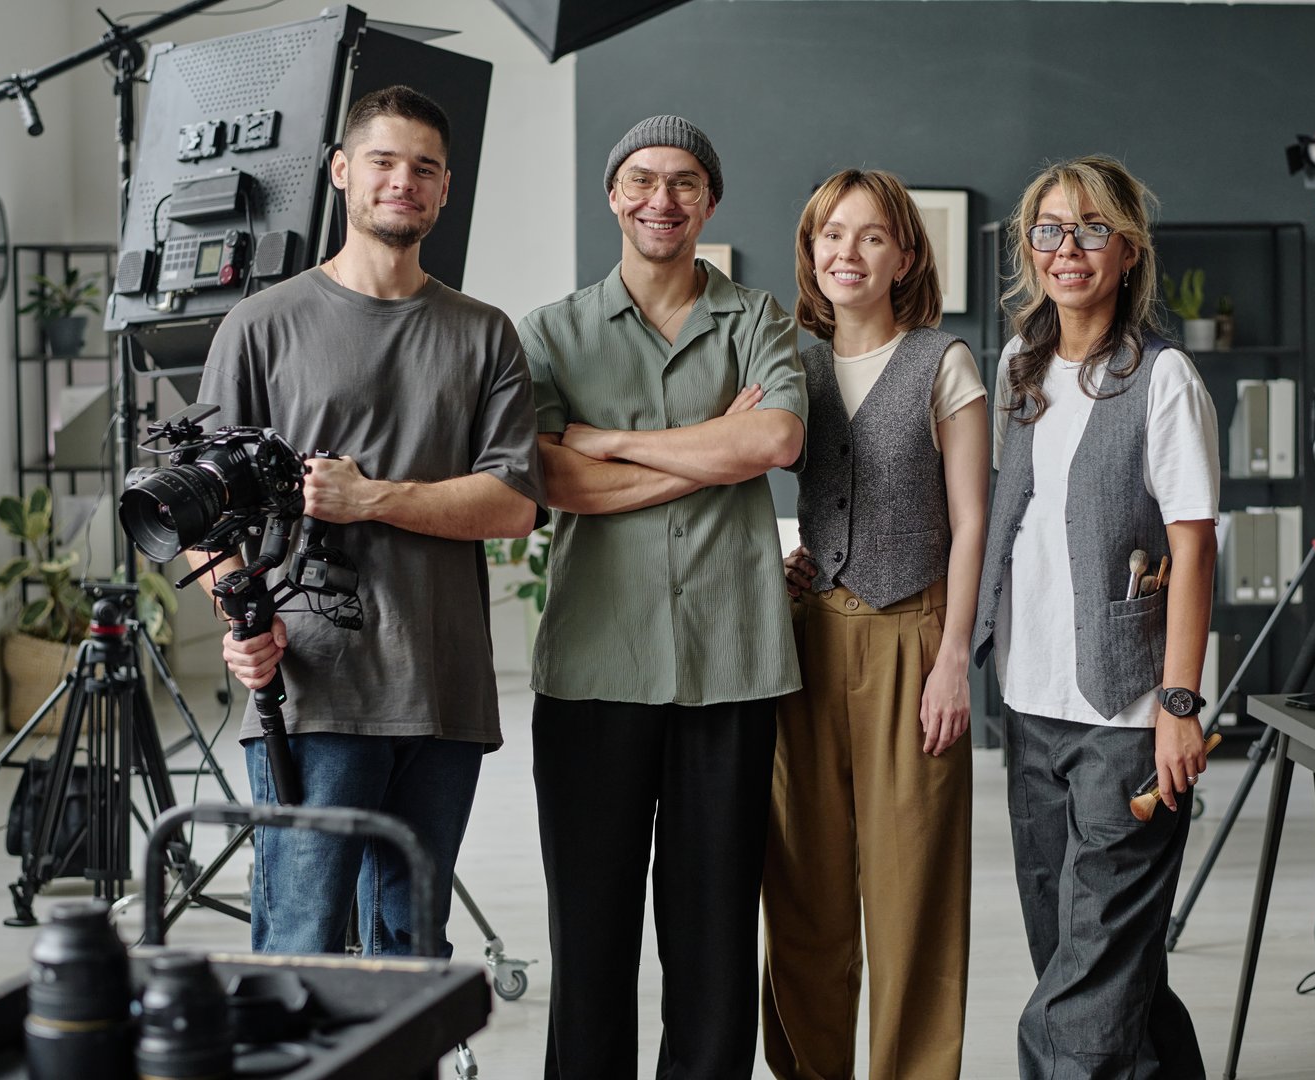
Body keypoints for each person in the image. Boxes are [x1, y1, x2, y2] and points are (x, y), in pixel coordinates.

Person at [196, 85, 545, 958]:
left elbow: (512, 504)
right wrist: (236, 615)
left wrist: (374, 497)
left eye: (424, 168)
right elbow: (199, 508)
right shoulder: (261, 326)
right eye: (384, 162)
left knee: (409, 950)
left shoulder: (484, 334)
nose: (404, 181)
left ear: (444, 189)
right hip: (314, 688)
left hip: (443, 689)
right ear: (343, 172)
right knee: (302, 948)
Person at [518, 114, 806, 1079]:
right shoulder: (550, 333)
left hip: (731, 664)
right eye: (642, 179)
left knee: (715, 937)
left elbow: (772, 444)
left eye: (684, 182)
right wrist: (704, 451)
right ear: (613, 194)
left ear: (709, 201)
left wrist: (611, 440)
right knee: (590, 938)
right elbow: (552, 484)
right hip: (597, 663)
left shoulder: (761, 320)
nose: (662, 199)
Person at [971, 154, 1216, 1079]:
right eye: (1048, 230)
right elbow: (1014, 512)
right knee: (1091, 962)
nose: (1066, 248)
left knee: (1078, 999)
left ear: (1127, 251)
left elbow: (1193, 545)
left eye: (1091, 229)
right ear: (1029, 249)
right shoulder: (1018, 365)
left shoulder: (1163, 379)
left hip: (1125, 717)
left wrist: (1179, 704)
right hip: (1031, 705)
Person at [762, 169, 988, 1080]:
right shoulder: (788, 359)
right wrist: (772, 560)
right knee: (805, 889)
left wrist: (953, 663)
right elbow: (746, 474)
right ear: (811, 252)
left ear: (904, 255)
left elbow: (973, 520)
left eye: (870, 237)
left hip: (912, 640)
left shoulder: (945, 362)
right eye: (830, 235)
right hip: (808, 642)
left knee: (914, 897)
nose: (847, 253)